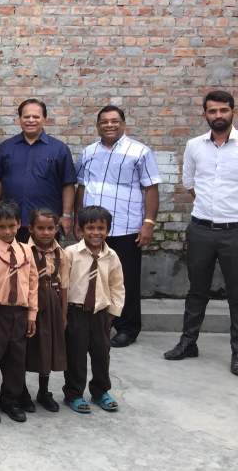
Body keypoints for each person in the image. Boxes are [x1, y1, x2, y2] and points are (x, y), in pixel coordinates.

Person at [164, 90, 238, 375]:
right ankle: (188, 342)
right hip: (201, 229)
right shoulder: (194, 145)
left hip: (234, 231)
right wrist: (209, 209)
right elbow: (190, 183)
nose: (218, 115)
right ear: (204, 114)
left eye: (223, 110)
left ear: (232, 111)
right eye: (212, 111)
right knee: (196, 290)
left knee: (236, 293)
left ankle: (237, 352)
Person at [76, 105, 161, 349]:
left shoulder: (139, 152)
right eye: (104, 122)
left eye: (114, 121)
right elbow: (82, 186)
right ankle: (97, 322)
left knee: (125, 279)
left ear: (123, 123)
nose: (109, 125)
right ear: (97, 125)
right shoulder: (89, 152)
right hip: (93, 228)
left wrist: (148, 223)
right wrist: (79, 220)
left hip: (126, 225)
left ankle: (128, 328)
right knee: (93, 275)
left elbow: (151, 188)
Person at [0, 200, 39, 425]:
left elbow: (33, 283)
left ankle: (10, 399)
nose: (8, 231)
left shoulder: (26, 251)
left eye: (12, 225)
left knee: (16, 360)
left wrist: (32, 314)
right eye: (1, 227)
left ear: (19, 224)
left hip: (19, 314)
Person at [63, 206, 125, 413]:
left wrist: (113, 313)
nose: (96, 232)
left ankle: (100, 392)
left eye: (101, 228)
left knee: (101, 354)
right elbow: (63, 284)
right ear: (80, 230)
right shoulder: (70, 254)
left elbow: (117, 285)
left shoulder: (112, 256)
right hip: (76, 312)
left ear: (108, 230)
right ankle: (74, 393)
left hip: (101, 313)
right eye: (90, 228)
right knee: (76, 355)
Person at [0, 99, 78, 240]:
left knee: (46, 261)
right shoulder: (6, 147)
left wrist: (66, 215)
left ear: (44, 119)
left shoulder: (59, 149)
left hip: (46, 224)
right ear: (19, 119)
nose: (31, 120)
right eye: (26, 117)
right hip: (10, 222)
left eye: (36, 117)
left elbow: (68, 184)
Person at [22, 209, 70, 413]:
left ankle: (44, 390)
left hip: (52, 304)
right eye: (40, 228)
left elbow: (65, 285)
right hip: (29, 303)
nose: (45, 233)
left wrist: (63, 314)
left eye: (50, 228)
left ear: (56, 229)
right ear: (31, 228)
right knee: (25, 348)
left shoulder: (62, 254)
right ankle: (21, 391)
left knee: (48, 347)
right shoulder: (23, 251)